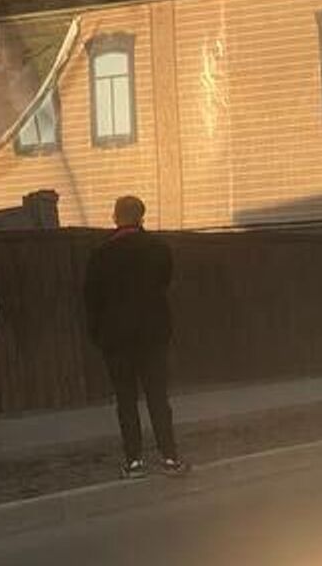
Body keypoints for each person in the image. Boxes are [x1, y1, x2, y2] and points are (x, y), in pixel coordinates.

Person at [83, 195, 187, 479]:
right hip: (152, 334)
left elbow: (92, 299)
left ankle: (134, 460)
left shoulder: (101, 254)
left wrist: (99, 334)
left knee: (125, 400)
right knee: (158, 397)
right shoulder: (158, 249)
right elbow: (165, 283)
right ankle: (169, 456)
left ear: (115, 217)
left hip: (116, 338)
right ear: (142, 216)